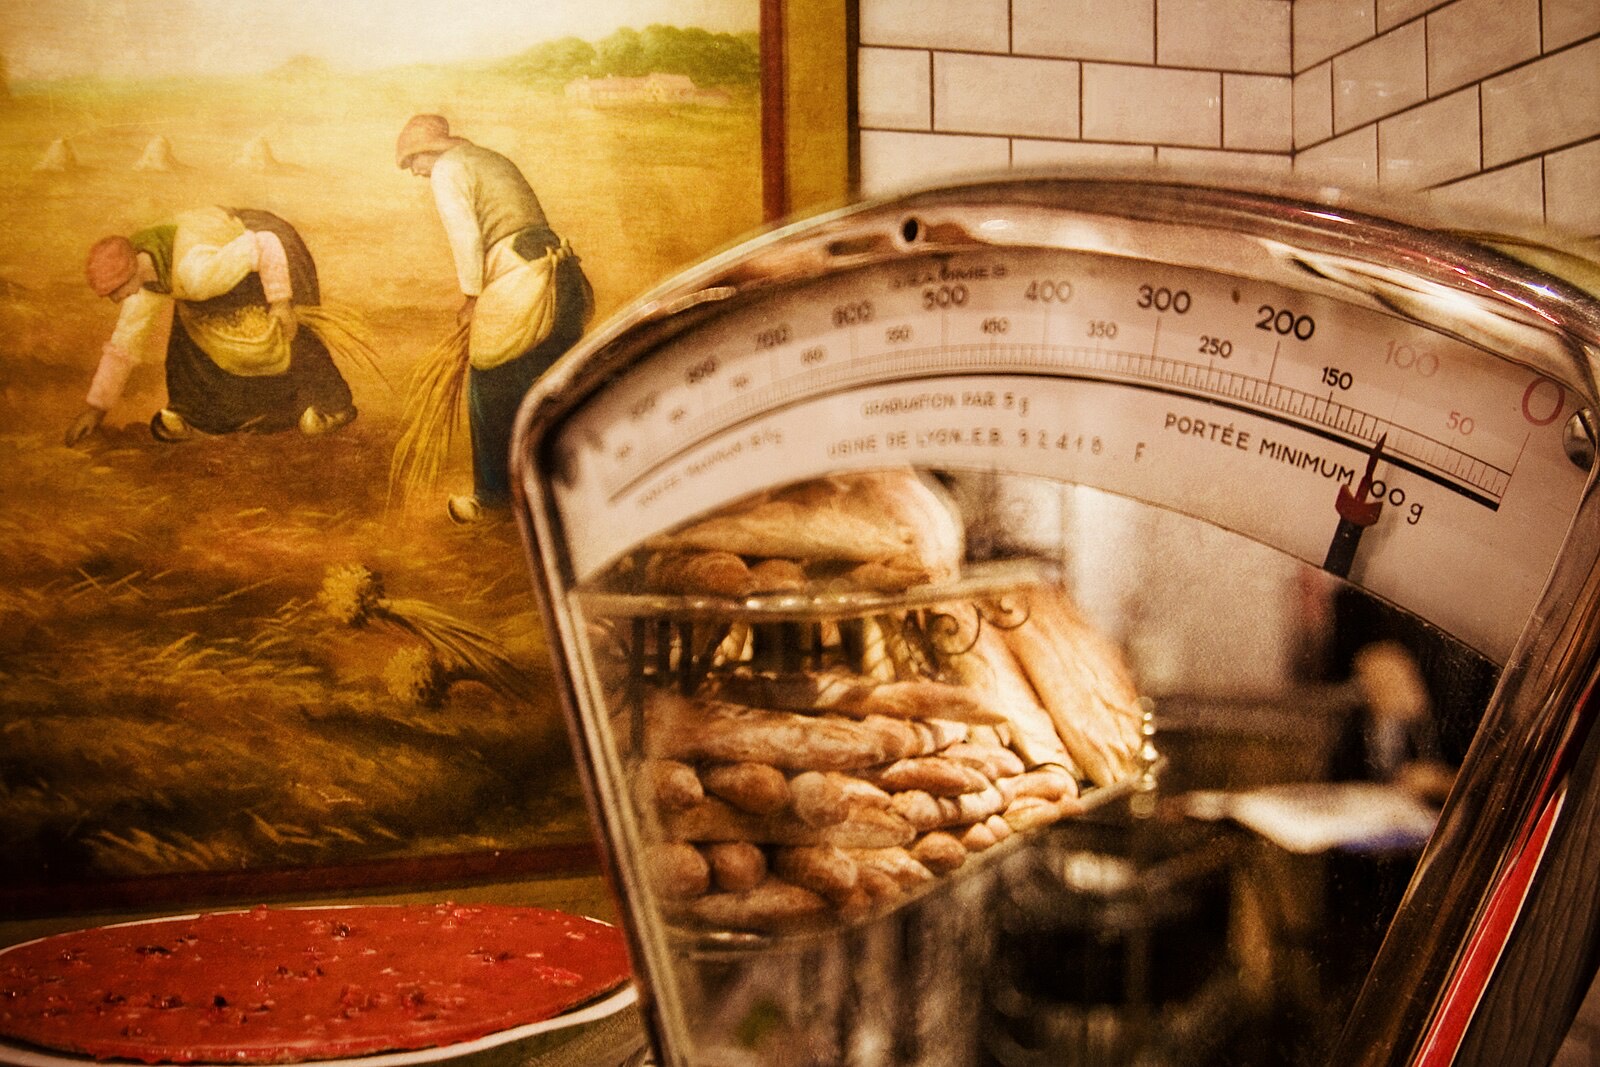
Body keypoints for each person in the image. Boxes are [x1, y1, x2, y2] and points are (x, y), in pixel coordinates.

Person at [395, 113, 593, 523]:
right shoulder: (489, 158)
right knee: (550, 380)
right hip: (561, 277)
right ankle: (568, 490)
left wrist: (471, 299)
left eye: (411, 162)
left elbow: (465, 234)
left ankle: (495, 497)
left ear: (425, 152)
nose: (414, 173)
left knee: (489, 384)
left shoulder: (448, 169)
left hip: (525, 282)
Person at [65, 206, 356, 446]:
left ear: (132, 272)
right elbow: (126, 340)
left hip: (267, 246)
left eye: (117, 291)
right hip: (226, 251)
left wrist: (280, 302)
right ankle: (194, 415)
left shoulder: (195, 272)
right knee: (194, 325)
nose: (116, 300)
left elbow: (266, 244)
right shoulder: (145, 269)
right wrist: (97, 409)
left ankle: (331, 404)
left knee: (280, 330)